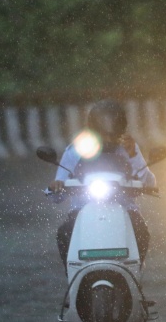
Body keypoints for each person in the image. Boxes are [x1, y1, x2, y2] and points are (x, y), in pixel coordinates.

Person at [49, 99, 156, 264]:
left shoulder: (129, 148)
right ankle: (73, 276)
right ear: (93, 127)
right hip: (81, 212)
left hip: (126, 211)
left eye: (112, 130)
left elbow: (149, 183)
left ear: (120, 126)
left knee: (141, 232)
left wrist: (134, 155)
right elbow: (56, 195)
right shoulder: (77, 149)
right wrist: (56, 186)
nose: (108, 135)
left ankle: (134, 276)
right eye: (104, 128)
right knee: (65, 233)